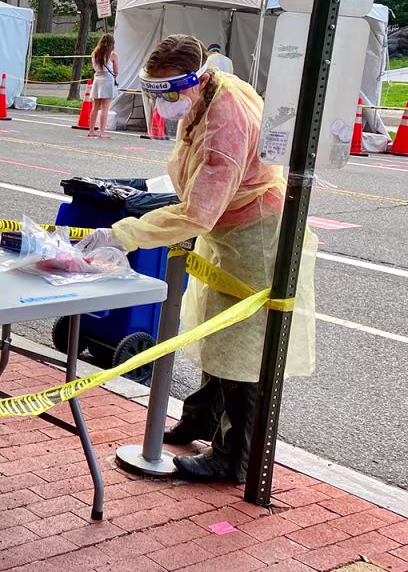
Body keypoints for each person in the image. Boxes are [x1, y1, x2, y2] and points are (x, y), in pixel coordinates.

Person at [78, 34, 316, 483]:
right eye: (155, 91)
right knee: (213, 329)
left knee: (241, 349)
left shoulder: (225, 123)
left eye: (170, 91)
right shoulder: (209, 92)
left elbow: (197, 213)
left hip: (254, 236)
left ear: (199, 78)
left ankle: (233, 457)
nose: (163, 102)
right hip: (229, 224)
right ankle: (201, 420)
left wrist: (125, 233)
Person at [88, 33, 119, 139]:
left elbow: (94, 68)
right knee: (105, 107)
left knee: (95, 106)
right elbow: (116, 71)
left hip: (97, 79)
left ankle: (91, 130)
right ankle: (102, 131)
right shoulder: (113, 55)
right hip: (108, 80)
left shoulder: (94, 54)